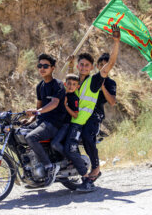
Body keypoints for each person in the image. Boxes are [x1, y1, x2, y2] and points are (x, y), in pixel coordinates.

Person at [64, 24, 121, 192]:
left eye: (86, 65)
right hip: (76, 116)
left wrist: (116, 42)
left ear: (91, 68)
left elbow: (110, 63)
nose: (83, 67)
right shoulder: (74, 80)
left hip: (92, 116)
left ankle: (94, 170)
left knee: (88, 138)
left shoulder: (95, 80)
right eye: (80, 65)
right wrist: (70, 64)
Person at [24, 53, 67, 187]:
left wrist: (38, 111)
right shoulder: (40, 86)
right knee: (18, 133)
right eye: (39, 66)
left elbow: (54, 103)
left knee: (31, 137)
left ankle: (49, 167)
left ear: (53, 68)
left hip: (54, 123)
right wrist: (30, 119)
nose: (42, 68)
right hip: (41, 121)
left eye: (45, 66)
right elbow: (38, 107)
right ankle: (32, 172)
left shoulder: (58, 85)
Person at [81, 53, 117, 184]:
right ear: (96, 66)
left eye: (105, 65)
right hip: (82, 113)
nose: (103, 67)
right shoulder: (90, 79)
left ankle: (96, 168)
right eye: (101, 65)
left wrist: (102, 86)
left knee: (87, 136)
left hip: (95, 115)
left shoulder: (110, 83)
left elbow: (112, 102)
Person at [51, 74, 80, 157]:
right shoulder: (61, 95)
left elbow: (75, 115)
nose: (71, 86)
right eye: (69, 83)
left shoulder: (74, 98)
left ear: (77, 87)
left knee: (55, 144)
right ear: (65, 84)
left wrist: (65, 105)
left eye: (74, 84)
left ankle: (69, 159)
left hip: (66, 125)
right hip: (57, 123)